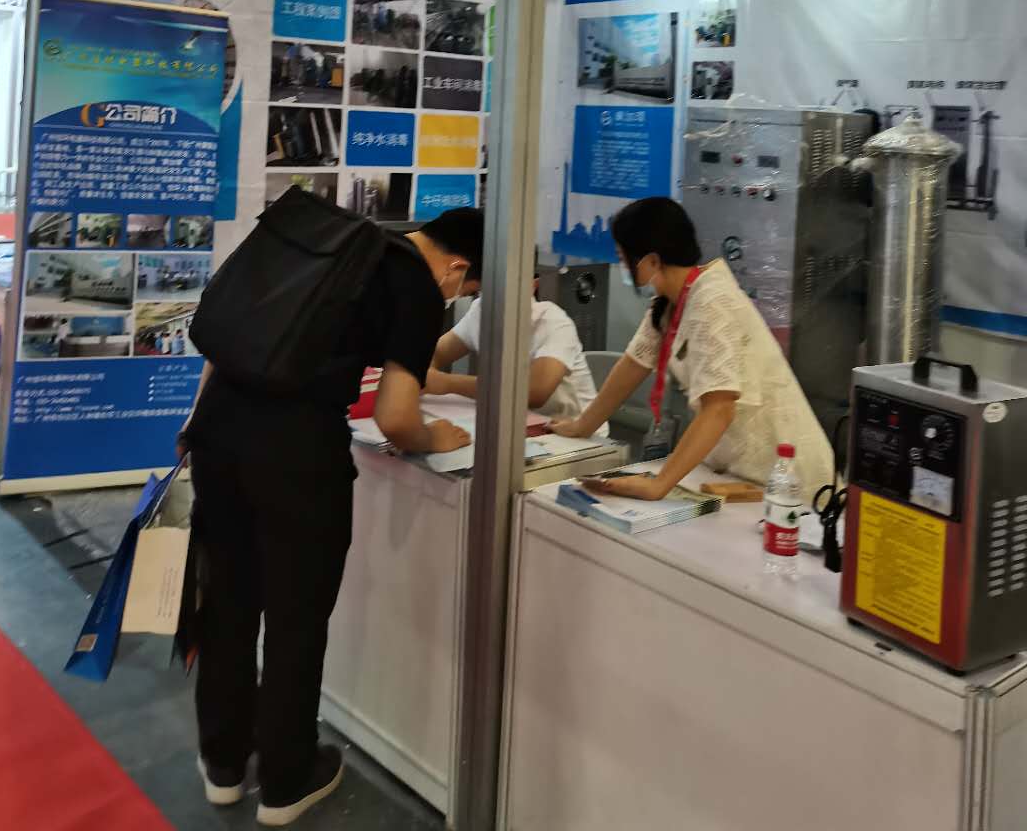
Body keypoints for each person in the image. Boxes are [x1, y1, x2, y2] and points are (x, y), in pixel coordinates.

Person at [180, 208, 484, 827]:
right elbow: (398, 417)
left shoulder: (333, 242)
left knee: (229, 604)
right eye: (467, 287)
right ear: (458, 265)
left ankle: (223, 764)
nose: (457, 296)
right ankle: (286, 781)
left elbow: (230, 344)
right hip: (298, 456)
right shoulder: (415, 285)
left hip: (218, 433)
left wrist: (194, 423)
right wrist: (438, 437)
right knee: (295, 619)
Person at [552, 197, 833, 502]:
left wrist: (659, 485)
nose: (622, 265)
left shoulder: (711, 301)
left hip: (787, 479)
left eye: (623, 256)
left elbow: (719, 408)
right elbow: (634, 364)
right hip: (736, 471)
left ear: (652, 261)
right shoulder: (671, 300)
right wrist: (583, 426)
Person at [427, 270, 603, 432]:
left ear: (533, 285)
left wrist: (446, 383)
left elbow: (534, 392)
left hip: (571, 433)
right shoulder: (481, 310)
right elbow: (434, 355)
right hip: (516, 422)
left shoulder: (553, 321)